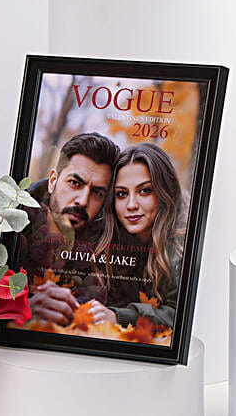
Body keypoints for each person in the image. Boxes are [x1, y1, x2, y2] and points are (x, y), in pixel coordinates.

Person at [21, 132, 120, 326]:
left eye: (97, 192)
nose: (83, 201)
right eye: (75, 183)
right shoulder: (12, 224)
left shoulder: (105, 245)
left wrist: (114, 316)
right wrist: (24, 310)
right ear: (52, 181)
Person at [89, 143, 187, 328]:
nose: (131, 205)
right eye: (121, 194)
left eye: (144, 191)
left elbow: (180, 314)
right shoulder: (104, 239)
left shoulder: (184, 244)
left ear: (165, 192)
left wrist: (120, 317)